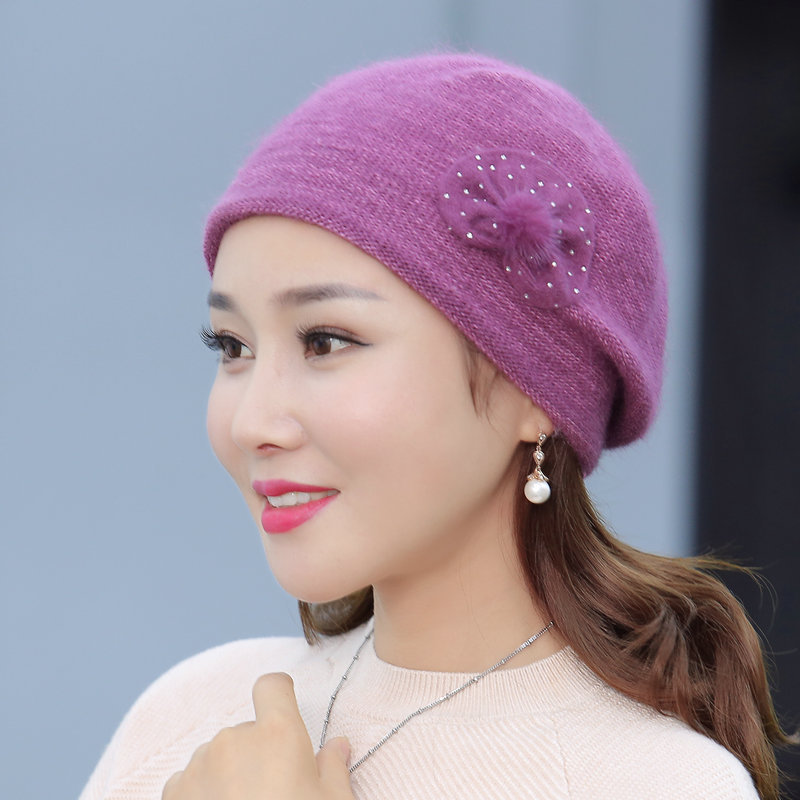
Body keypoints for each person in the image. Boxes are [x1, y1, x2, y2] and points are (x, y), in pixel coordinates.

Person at [78, 53, 792, 800]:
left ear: (531, 391)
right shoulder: (186, 717)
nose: (252, 421)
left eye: (325, 341)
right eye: (232, 347)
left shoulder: (654, 783)